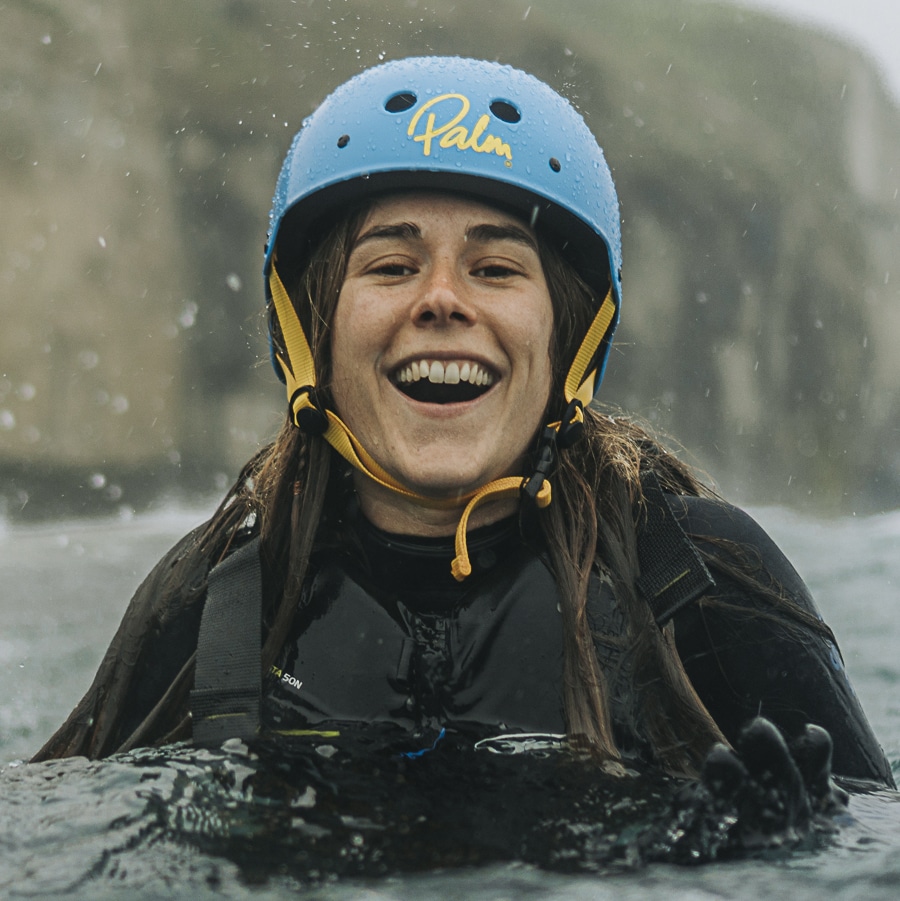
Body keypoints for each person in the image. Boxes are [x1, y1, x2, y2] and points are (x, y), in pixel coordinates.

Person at [33, 57, 894, 795]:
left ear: (569, 336)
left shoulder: (706, 585)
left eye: (495, 266)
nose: (442, 298)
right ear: (313, 332)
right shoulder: (211, 608)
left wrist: (778, 860)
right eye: (392, 263)